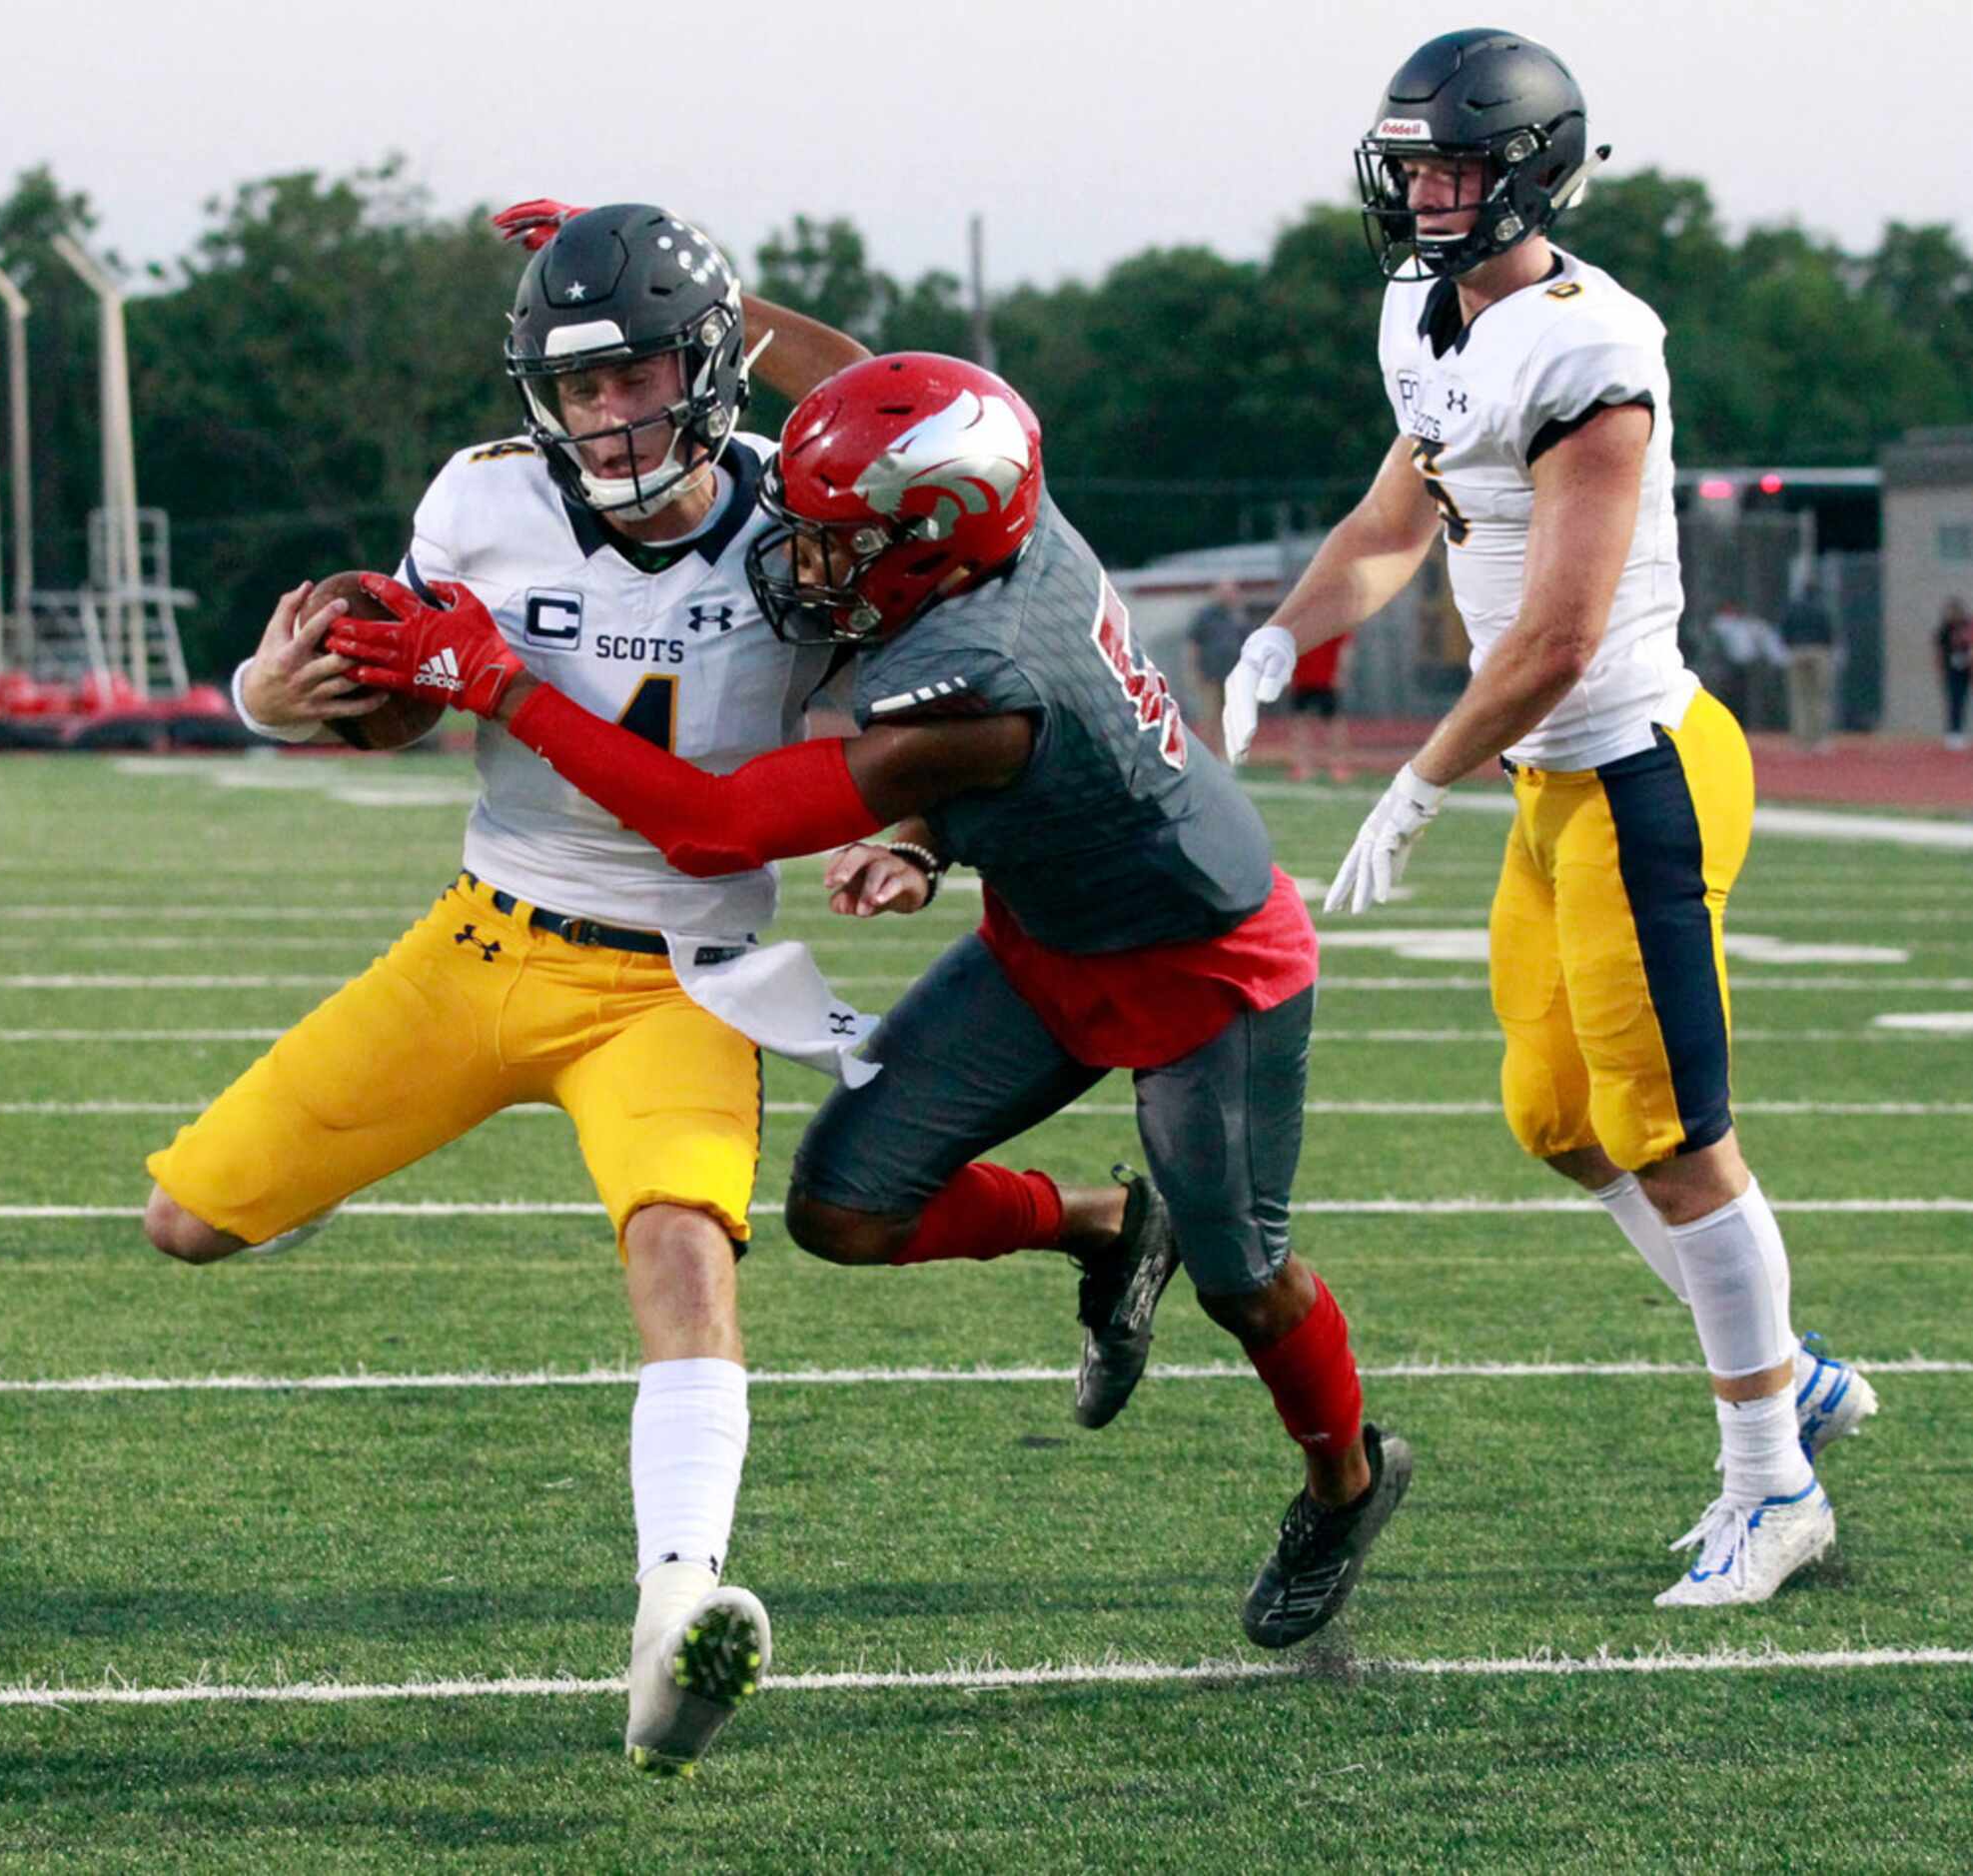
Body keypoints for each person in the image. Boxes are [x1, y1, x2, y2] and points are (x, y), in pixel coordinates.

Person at [332, 351, 1415, 1656]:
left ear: (930, 547)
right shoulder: (990, 516)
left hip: (1201, 969)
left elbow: (716, 824)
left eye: (837, 539)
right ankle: (1110, 1222)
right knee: (843, 1207)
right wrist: (706, 312)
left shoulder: (974, 669)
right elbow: (858, 377)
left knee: (1246, 1282)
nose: (799, 551)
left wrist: (502, 685)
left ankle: (1345, 1482)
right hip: (1043, 933)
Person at [142, 202, 880, 1777]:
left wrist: (914, 834)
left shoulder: (799, 522)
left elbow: (899, 500)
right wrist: (270, 702)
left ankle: (676, 1603)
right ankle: (330, 1155)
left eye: (640, 373)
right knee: (188, 1220)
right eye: (580, 382)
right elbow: (394, 694)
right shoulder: (483, 499)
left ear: (714, 359)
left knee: (683, 1250)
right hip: (483, 940)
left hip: (681, 975)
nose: (608, 412)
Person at [1222, 29, 1877, 1607]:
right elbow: (1400, 513)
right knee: (1554, 1117)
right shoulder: (1423, 311)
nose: (1425, 193)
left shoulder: (1594, 348)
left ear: (1525, 174)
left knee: (1672, 1133)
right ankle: (1781, 1368)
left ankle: (1769, 1479)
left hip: (1632, 768)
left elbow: (1559, 635)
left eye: (1453, 166)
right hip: (1546, 781)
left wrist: (1417, 772)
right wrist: (1275, 635)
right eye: (1414, 166)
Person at [1699, 597, 1786, 729]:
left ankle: (1747, 724)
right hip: (1726, 668)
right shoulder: (1720, 624)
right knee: (1728, 698)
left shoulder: (1748, 624)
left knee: (1743, 698)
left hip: (1745, 668)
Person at [1186, 579, 1256, 741]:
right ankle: (1208, 752)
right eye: (1225, 592)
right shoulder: (1205, 617)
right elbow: (1193, 645)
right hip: (1210, 673)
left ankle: (1225, 756)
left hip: (1232, 675)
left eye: (1232, 592)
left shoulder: (1239, 617)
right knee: (1209, 716)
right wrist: (1193, 670)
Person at [1779, 579, 1839, 751]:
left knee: (1799, 698)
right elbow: (1830, 633)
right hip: (1819, 652)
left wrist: (1791, 646)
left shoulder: (1793, 608)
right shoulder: (1823, 609)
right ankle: (1819, 739)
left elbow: (1784, 630)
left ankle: (1801, 740)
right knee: (1819, 698)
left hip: (1797, 651)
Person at [1287, 630, 1354, 782]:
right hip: (1302, 678)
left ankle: (1339, 765)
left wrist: (1342, 672)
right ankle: (1302, 766)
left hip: (1326, 678)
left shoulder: (1332, 620)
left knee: (1333, 725)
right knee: (1300, 724)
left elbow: (1345, 647)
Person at [1936, 595, 1971, 750]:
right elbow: (1939, 652)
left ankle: (1961, 732)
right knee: (1954, 701)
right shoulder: (1944, 630)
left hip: (1968, 668)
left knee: (1963, 701)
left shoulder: (1968, 625)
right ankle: (1953, 733)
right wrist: (1941, 670)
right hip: (1953, 670)